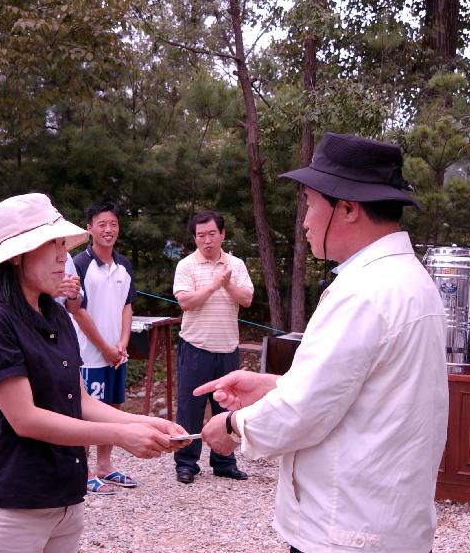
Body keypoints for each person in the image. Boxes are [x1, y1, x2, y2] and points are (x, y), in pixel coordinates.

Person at [197, 133, 448, 553]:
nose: (306, 221)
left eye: (311, 204)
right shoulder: (409, 281)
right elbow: (363, 389)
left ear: (347, 209)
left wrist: (232, 427)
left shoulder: (364, 291)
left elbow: (305, 409)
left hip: (345, 529)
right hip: (385, 521)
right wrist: (273, 386)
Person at [0, 192, 188, 553]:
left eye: (62, 244)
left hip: (65, 497)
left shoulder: (55, 315)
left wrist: (142, 423)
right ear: (17, 255)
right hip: (12, 505)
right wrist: (121, 435)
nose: (62, 256)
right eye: (51, 244)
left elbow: (78, 400)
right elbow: (26, 419)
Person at [172, 210, 253, 484]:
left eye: (212, 234)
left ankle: (224, 461)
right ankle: (186, 463)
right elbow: (185, 302)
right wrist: (214, 285)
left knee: (227, 409)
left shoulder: (236, 265)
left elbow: (247, 299)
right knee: (189, 407)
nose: (207, 240)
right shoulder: (186, 265)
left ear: (222, 234)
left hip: (227, 348)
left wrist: (227, 284)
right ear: (195, 238)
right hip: (195, 347)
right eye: (200, 235)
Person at [67, 202, 137, 494]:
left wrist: (121, 344)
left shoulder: (124, 264)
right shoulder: (79, 264)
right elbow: (76, 310)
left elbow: (127, 306)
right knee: (87, 412)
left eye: (113, 224)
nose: (108, 230)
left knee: (112, 408)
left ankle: (104, 466)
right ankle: (81, 472)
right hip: (88, 355)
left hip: (115, 355)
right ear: (89, 229)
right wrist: (105, 348)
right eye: (102, 224)